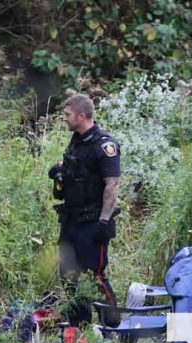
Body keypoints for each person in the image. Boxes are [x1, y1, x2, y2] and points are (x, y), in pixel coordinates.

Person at [48, 93, 121, 328]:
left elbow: (112, 184)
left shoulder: (104, 145)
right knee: (68, 272)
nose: (65, 119)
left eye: (68, 115)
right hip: (70, 219)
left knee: (95, 273)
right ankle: (79, 324)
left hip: (92, 221)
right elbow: (77, 174)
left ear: (82, 116)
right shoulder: (76, 140)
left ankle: (113, 324)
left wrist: (103, 221)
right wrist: (59, 174)